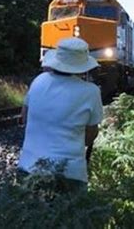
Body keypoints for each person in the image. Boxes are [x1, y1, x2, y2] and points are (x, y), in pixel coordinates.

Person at [18, 37, 103, 190]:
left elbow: (24, 117)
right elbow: (90, 135)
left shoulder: (38, 81)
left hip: (29, 168)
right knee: (70, 214)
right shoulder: (91, 91)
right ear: (84, 66)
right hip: (69, 174)